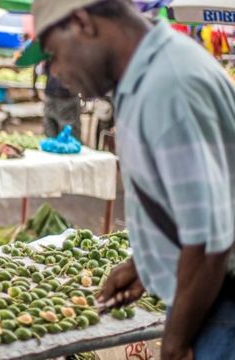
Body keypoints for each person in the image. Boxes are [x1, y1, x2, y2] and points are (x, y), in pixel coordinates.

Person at [27, 0, 235, 358]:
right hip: (206, 290)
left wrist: (174, 343)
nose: (56, 72)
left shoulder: (169, 86)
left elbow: (208, 242)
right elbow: (183, 205)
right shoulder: (149, 75)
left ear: (81, 22)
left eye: (54, 55)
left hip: (221, 301)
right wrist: (146, 264)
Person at [43, 61, 81, 140]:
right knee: (68, 132)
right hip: (63, 95)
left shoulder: (50, 51)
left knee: (53, 130)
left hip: (56, 94)